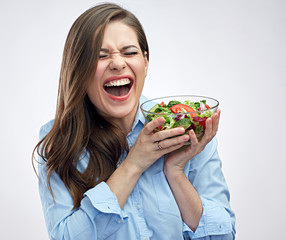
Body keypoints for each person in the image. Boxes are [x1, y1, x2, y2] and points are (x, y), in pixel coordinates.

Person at [33, 3, 236, 240]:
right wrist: (133, 165)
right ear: (79, 69)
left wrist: (176, 172)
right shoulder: (58, 141)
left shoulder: (189, 128)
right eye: (100, 55)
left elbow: (223, 237)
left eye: (129, 53)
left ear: (145, 62)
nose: (118, 63)